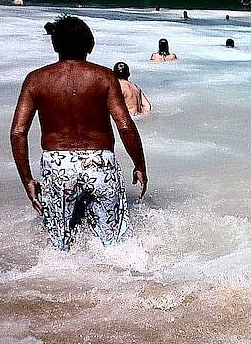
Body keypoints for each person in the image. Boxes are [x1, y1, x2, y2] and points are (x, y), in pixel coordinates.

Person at [10, 16, 148, 251]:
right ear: (90, 45)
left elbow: (18, 132)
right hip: (100, 162)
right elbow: (124, 125)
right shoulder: (105, 77)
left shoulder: (35, 80)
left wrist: (28, 179)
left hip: (57, 164)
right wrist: (139, 165)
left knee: (59, 245)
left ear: (55, 45)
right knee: (113, 244)